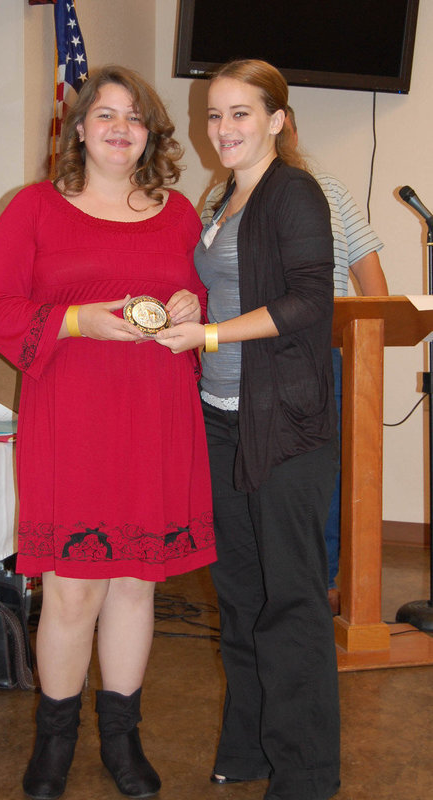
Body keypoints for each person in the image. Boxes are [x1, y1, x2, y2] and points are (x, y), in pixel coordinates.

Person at [0, 65, 216, 800]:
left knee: (136, 586)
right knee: (73, 590)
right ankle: (54, 744)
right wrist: (78, 319)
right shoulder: (36, 209)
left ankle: (122, 740)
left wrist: (184, 302)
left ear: (150, 134)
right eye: (105, 115)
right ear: (80, 128)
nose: (120, 127)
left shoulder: (177, 213)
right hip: (73, 414)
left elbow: (196, 296)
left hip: (155, 413)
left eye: (134, 117)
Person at [156, 60, 340, 800]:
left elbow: (306, 302)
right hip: (223, 421)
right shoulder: (226, 195)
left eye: (240, 114)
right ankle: (251, 747)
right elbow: (226, 280)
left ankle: (306, 773)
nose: (223, 128)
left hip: (285, 426)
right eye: (213, 114)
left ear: (276, 120)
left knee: (290, 599)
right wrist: (185, 298)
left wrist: (210, 336)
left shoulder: (293, 192)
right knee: (238, 592)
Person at [284, 105, 388, 613]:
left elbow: (374, 288)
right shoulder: (221, 196)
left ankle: (321, 587)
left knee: (323, 477)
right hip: (242, 362)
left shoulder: (331, 188)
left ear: (291, 128)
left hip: (322, 357)